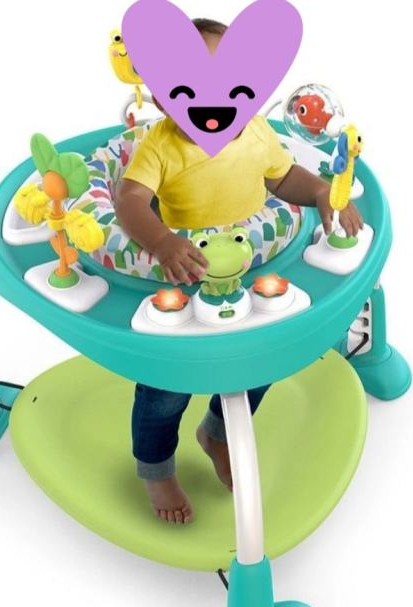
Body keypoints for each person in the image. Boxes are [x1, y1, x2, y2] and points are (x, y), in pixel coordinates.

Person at [115, 18, 363, 524]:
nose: (214, 104)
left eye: (228, 87)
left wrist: (321, 191)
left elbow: (283, 178)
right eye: (192, 89)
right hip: (187, 279)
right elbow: (129, 200)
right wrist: (162, 241)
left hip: (252, 272)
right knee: (165, 388)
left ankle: (216, 433)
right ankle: (156, 469)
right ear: (162, 98)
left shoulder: (255, 131)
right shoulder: (161, 145)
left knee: (258, 367)